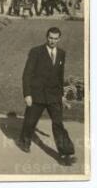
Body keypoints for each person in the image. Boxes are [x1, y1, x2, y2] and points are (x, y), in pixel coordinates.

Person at [18, 27, 76, 166]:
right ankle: (24, 141)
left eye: (55, 39)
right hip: (37, 95)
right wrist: (27, 94)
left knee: (58, 124)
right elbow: (27, 74)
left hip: (54, 96)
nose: (52, 41)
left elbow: (59, 76)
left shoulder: (61, 53)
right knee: (30, 121)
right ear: (46, 37)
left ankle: (65, 151)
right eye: (50, 38)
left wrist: (61, 95)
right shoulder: (36, 52)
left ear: (59, 39)